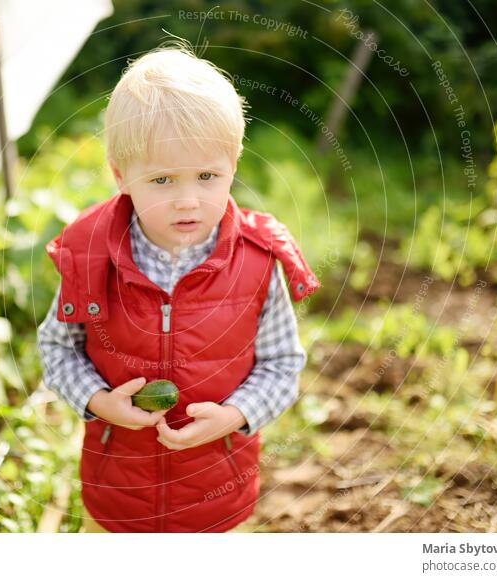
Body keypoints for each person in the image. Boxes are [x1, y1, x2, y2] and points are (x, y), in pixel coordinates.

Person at [37, 43, 320, 533]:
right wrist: (98, 402)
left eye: (208, 176)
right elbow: (58, 348)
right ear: (122, 176)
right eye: (163, 179)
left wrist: (235, 415)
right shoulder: (90, 257)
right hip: (117, 488)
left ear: (233, 164)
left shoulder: (257, 262)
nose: (188, 200)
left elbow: (282, 365)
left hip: (217, 487)